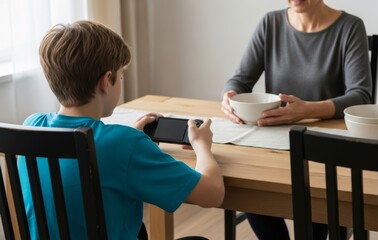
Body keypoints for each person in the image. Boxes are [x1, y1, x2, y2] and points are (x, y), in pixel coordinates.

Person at [18, 20, 224, 240]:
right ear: (106, 81)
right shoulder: (124, 145)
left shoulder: (31, 126)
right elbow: (212, 194)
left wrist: (130, 138)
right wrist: (202, 145)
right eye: (122, 75)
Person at [221, 0, 372, 239]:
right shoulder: (270, 23)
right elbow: (239, 80)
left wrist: (307, 110)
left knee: (316, 205)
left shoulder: (350, 27)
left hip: (325, 153)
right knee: (247, 186)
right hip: (273, 147)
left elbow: (361, 96)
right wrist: (229, 97)